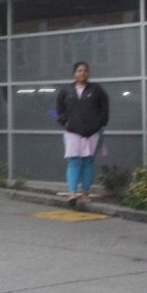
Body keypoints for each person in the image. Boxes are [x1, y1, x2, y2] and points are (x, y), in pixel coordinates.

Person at [55, 61, 109, 205]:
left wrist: (99, 124)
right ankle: (72, 193)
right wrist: (65, 122)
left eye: (85, 70)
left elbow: (104, 109)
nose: (82, 73)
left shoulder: (96, 90)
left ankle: (85, 193)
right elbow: (57, 110)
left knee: (88, 162)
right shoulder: (66, 91)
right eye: (79, 70)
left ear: (88, 73)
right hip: (72, 132)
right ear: (74, 73)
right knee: (74, 161)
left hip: (92, 132)